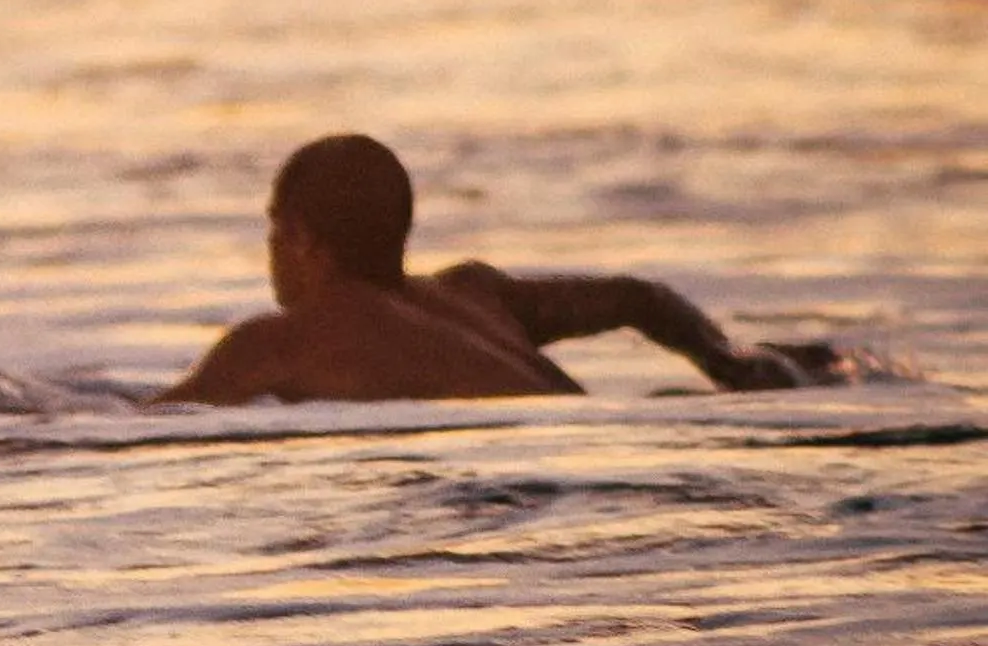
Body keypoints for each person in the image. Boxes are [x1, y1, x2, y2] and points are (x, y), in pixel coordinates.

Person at [153, 134, 843, 405]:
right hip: (599, 433)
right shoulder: (479, 294)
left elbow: (153, 429)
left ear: (300, 238)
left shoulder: (279, 341)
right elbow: (641, 297)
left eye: (274, 229)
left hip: (537, 480)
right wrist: (726, 363)